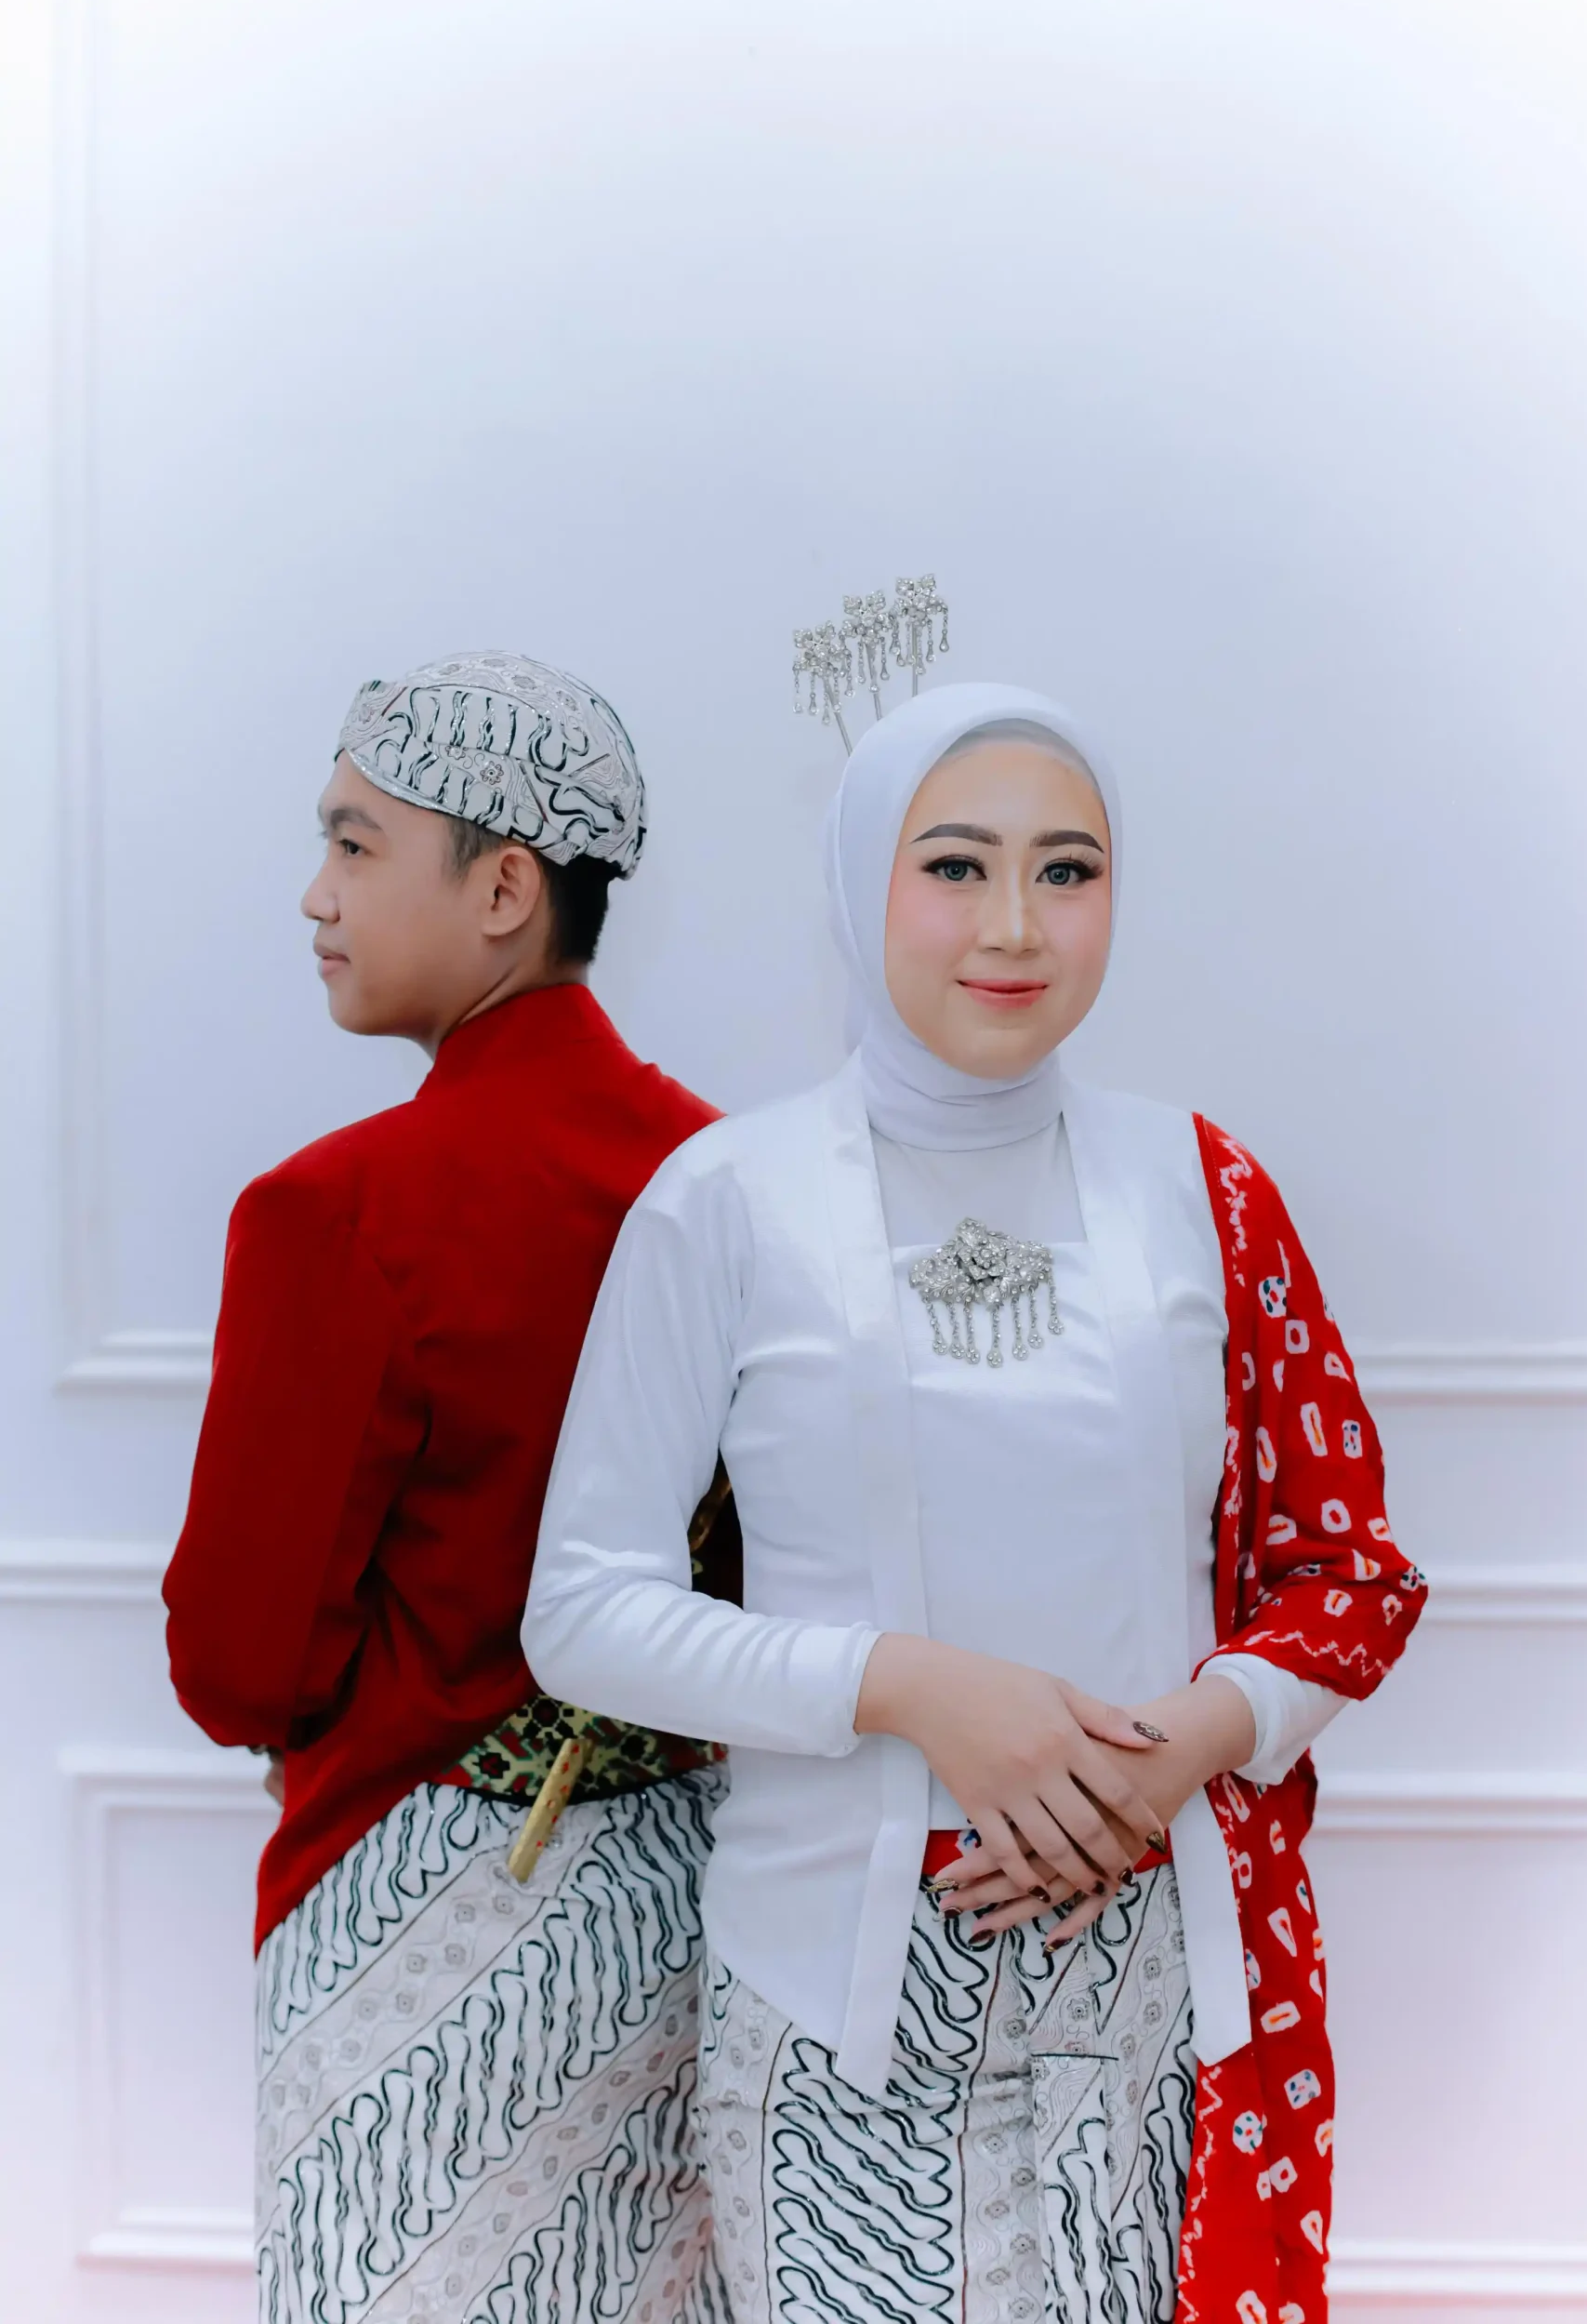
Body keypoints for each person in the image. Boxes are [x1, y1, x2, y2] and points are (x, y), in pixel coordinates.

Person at [523, 681, 1427, 2324]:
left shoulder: (1203, 1187)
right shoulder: (725, 1200)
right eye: (954, 866)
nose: (1014, 924)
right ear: (859, 880)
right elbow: (583, 1611)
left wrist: (1176, 1749)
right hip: (832, 2007)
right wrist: (911, 1687)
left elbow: (1345, 1573)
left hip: (1157, 1988)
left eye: (1066, 871)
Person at [164, 653, 731, 2324]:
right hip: (694, 1896)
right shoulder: (726, 1178)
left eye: (354, 845)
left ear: (502, 890)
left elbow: (239, 1665)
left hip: (418, 1904)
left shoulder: (340, 1211)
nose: (315, 895)